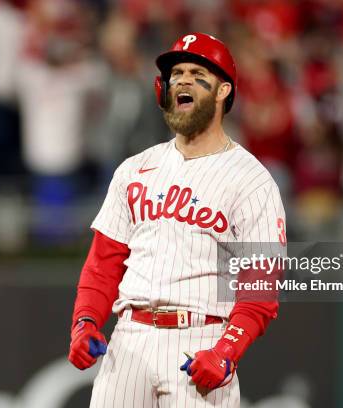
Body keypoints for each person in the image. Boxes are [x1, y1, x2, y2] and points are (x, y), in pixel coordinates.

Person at [69, 33, 286, 407]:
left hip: (200, 342)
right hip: (128, 341)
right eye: (176, 73)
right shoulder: (134, 169)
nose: (182, 80)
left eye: (197, 72)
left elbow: (260, 289)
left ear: (222, 92)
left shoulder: (252, 180)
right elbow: (103, 264)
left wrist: (226, 351)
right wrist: (85, 321)